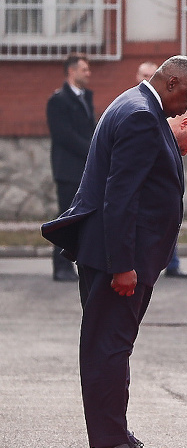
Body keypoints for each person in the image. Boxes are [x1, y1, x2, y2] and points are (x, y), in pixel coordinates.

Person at [41, 56, 187, 448]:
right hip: (116, 259)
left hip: (115, 255)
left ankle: (117, 436)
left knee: (113, 346)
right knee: (109, 347)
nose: (186, 108)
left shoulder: (136, 104)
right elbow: (120, 196)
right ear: (171, 81)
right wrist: (123, 264)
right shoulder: (141, 115)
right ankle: (111, 444)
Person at [137, 62, 187, 279]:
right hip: (144, 177)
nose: (148, 78)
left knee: (168, 215)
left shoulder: (165, 106)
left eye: (151, 74)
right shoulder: (139, 110)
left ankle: (172, 263)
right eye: (144, 75)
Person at [47, 53, 95, 282]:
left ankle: (72, 264)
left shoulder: (86, 97)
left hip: (84, 169)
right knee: (65, 217)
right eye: (84, 69)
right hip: (67, 170)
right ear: (72, 71)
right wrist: (92, 150)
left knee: (79, 218)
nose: (88, 73)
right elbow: (64, 136)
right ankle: (60, 267)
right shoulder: (59, 100)